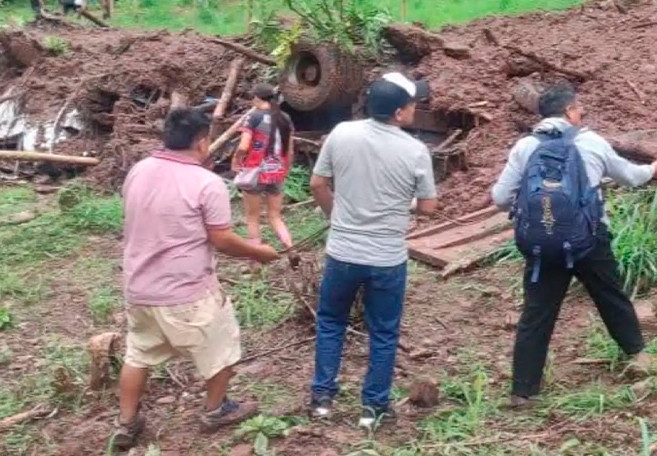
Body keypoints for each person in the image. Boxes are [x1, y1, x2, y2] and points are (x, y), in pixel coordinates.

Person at [112, 108, 280, 449]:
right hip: (186, 291)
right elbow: (221, 239)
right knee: (222, 348)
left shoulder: (139, 170)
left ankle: (127, 422)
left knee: (138, 354)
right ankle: (215, 409)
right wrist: (257, 250)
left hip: (139, 287)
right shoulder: (207, 183)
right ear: (202, 142)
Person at [491, 83, 657, 408]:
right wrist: (652, 170)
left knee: (537, 312)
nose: (581, 113)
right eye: (578, 108)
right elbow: (630, 176)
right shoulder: (590, 141)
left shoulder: (524, 147)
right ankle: (639, 357)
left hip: (544, 245)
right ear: (570, 112)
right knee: (610, 295)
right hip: (588, 240)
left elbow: (500, 198)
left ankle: (523, 391)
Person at [309, 72, 437, 429]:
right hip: (386, 259)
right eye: (413, 104)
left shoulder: (342, 134)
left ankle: (322, 400)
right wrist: (404, 203)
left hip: (343, 252)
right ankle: (374, 408)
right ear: (399, 112)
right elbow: (428, 208)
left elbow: (318, 183)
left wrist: (337, 216)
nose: (415, 109)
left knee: (331, 323)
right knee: (382, 332)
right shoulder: (415, 150)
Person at [232, 83, 297, 262]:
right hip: (277, 172)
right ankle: (291, 248)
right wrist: (285, 169)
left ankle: (255, 261)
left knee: (252, 217)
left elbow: (244, 146)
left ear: (257, 98)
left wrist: (236, 160)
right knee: (275, 216)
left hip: (255, 171)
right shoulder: (285, 118)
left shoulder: (253, 117)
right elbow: (290, 150)